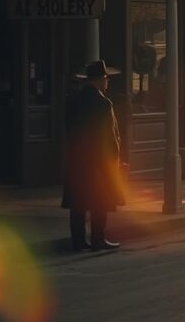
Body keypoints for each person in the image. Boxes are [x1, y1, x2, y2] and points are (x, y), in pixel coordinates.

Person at [62, 61, 125, 252]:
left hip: (77, 160)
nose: (107, 83)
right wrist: (115, 160)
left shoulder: (72, 101)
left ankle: (78, 241)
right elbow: (110, 137)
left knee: (78, 202)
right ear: (100, 80)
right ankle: (98, 239)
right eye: (106, 79)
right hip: (98, 161)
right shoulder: (104, 104)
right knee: (100, 201)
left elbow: (68, 129)